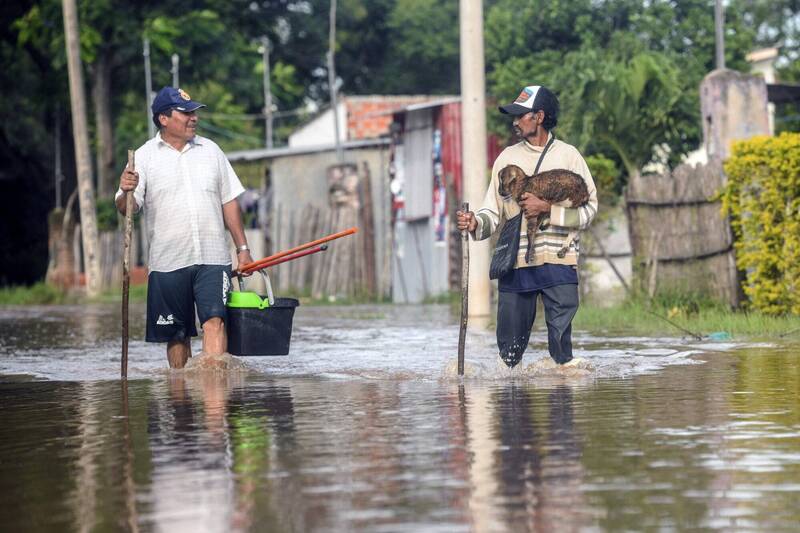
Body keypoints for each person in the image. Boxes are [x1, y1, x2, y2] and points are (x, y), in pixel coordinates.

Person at [456, 85, 598, 368]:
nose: (515, 121)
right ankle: (510, 405)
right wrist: (475, 223)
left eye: (522, 115)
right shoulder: (506, 159)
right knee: (509, 355)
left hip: (559, 262)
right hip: (516, 264)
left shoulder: (570, 157)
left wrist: (548, 210)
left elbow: (590, 209)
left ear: (540, 117)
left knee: (562, 356)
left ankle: (563, 398)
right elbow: (491, 211)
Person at [115, 86, 254, 369]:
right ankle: (181, 404)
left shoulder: (211, 150)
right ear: (163, 119)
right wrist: (124, 189)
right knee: (176, 334)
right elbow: (128, 207)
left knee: (215, 321)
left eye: (194, 113)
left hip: (213, 258)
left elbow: (229, 202)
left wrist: (243, 249)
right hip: (168, 262)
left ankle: (215, 407)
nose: (194, 118)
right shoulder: (143, 157)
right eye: (186, 113)